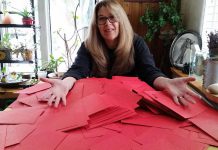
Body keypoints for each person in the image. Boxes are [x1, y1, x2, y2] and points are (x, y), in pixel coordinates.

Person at [41, 0, 200, 108]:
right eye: (102, 19)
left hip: (131, 103)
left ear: (121, 20)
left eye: (112, 18)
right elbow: (77, 70)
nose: (107, 24)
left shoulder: (136, 42)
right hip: (99, 102)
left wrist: (167, 82)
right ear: (96, 24)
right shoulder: (88, 45)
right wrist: (64, 83)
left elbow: (149, 71)